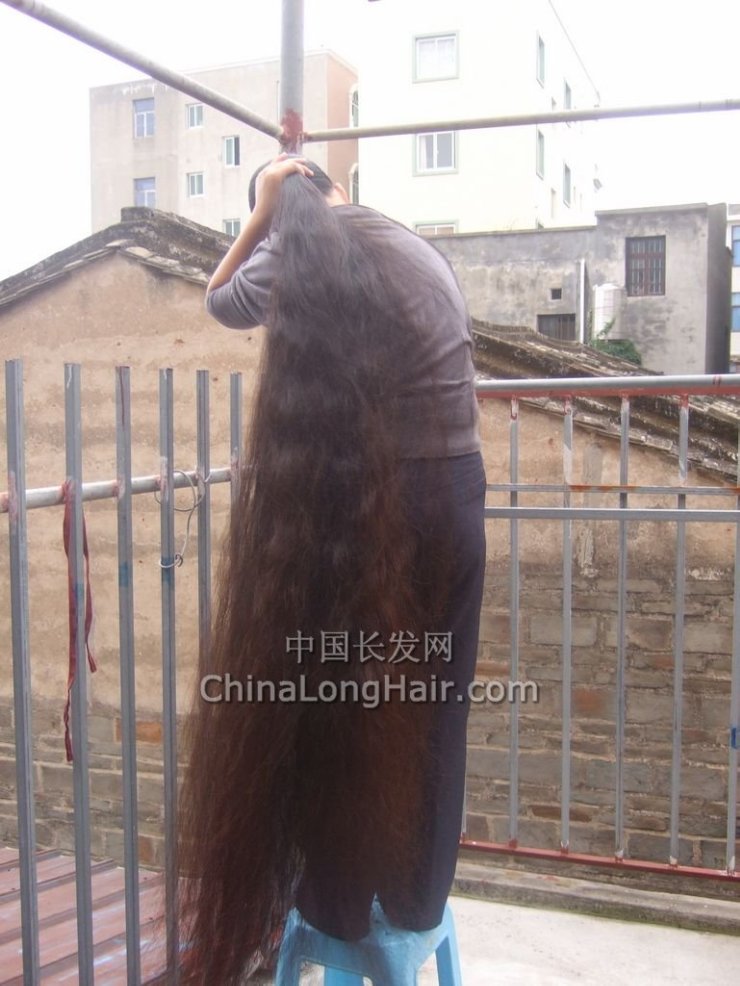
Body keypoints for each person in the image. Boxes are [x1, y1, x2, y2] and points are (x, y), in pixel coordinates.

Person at [177, 155, 486, 984]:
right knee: (438, 702)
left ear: (283, 212)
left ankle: (339, 903)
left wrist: (260, 212)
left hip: (381, 506)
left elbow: (219, 300)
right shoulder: (412, 244)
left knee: (341, 705)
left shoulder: (293, 247)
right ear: (339, 189)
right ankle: (417, 899)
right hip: (458, 495)